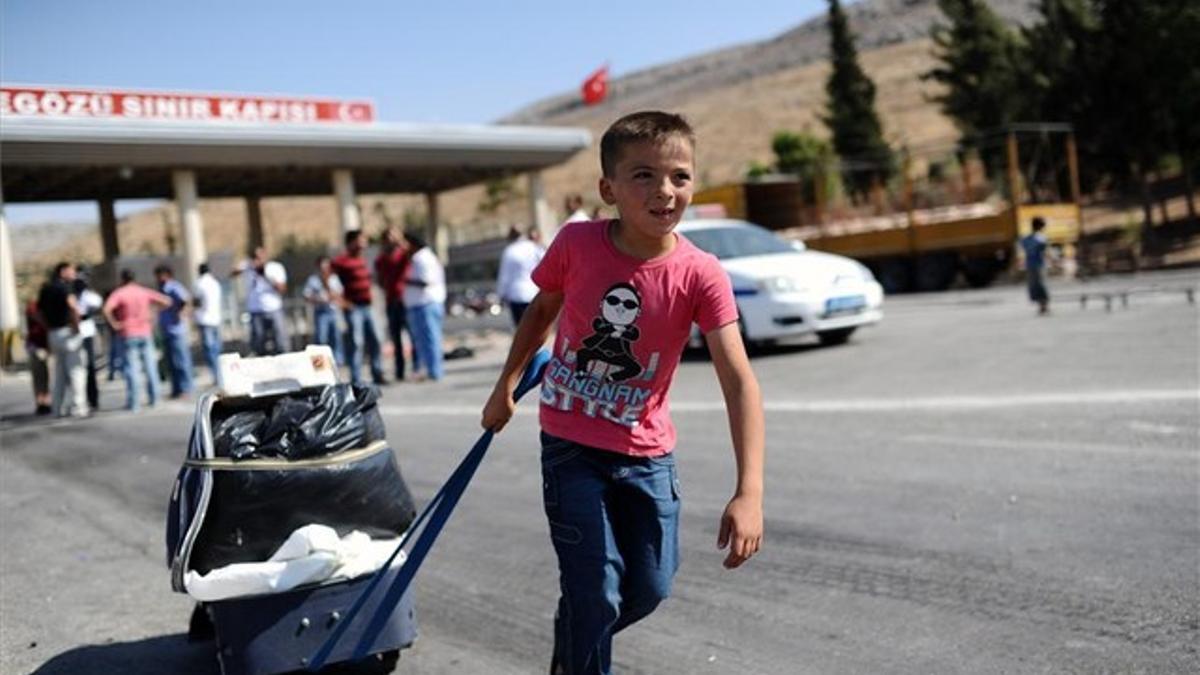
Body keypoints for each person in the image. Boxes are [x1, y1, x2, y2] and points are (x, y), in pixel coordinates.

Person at [481, 111, 765, 675]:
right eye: (643, 176)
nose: (664, 190)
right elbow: (542, 309)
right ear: (608, 189)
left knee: (649, 589)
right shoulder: (577, 244)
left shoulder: (701, 273)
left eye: (679, 176)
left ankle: (574, 646)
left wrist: (749, 491)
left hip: (648, 454)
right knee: (597, 593)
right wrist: (505, 387)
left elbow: (738, 379)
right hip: (571, 447)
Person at [103, 269, 171, 411]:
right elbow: (167, 301)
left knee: (131, 369)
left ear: (122, 279)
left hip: (127, 333)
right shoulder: (142, 291)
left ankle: (134, 403)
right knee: (150, 367)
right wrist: (152, 313)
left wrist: (115, 323)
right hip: (145, 331)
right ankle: (155, 399)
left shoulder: (119, 293)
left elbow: (106, 309)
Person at [332, 230, 386, 387]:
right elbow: (328, 280)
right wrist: (341, 301)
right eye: (361, 240)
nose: (364, 244)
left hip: (368, 306)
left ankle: (377, 372)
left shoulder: (364, 260)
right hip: (354, 308)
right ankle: (355, 378)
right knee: (356, 342)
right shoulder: (341, 262)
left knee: (375, 339)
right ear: (351, 242)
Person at [38, 262, 89, 418]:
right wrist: (77, 326)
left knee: (59, 373)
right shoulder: (66, 288)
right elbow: (73, 307)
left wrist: (48, 327)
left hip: (53, 334)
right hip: (68, 333)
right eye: (71, 270)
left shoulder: (46, 288)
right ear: (62, 272)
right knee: (76, 371)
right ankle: (78, 407)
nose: (74, 273)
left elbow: (38, 313)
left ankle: (57, 408)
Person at [403, 231, 447, 382]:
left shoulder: (422, 258)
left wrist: (405, 280)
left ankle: (435, 371)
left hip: (425, 304)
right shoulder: (421, 257)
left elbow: (425, 281)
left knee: (430, 339)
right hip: (422, 304)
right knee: (425, 340)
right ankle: (431, 370)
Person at [374, 227, 414, 380]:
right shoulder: (381, 259)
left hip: (406, 300)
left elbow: (410, 252)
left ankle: (417, 367)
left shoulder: (403, 254)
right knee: (396, 338)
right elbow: (380, 279)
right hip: (391, 301)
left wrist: (400, 240)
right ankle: (400, 371)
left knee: (412, 335)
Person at [235, 247, 289, 355]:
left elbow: (282, 289)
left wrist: (265, 275)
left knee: (281, 340)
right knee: (258, 340)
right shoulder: (248, 268)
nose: (257, 260)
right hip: (256, 309)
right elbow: (233, 273)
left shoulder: (274, 268)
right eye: (255, 258)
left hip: (273, 308)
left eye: (260, 258)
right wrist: (246, 266)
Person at [155, 264, 194, 399]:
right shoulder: (162, 288)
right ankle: (176, 389)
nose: (159, 278)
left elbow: (186, 300)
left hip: (176, 330)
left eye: (161, 275)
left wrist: (181, 314)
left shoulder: (173, 286)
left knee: (181, 361)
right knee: (171, 363)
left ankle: (186, 389)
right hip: (167, 330)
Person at [496, 224, 545, 326]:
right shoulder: (534, 248)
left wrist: (501, 295)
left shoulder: (509, 251)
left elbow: (504, 276)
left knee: (521, 330)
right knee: (536, 328)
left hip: (516, 295)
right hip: (534, 293)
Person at [303, 255, 345, 365]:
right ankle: (319, 364)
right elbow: (307, 296)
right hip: (321, 312)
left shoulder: (334, 278)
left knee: (336, 338)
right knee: (321, 339)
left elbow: (340, 294)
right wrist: (317, 299)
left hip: (333, 311)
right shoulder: (313, 280)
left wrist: (328, 287)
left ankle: (337, 362)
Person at [74, 272, 104, 410]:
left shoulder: (88, 296)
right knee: (77, 369)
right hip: (74, 334)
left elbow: (97, 302)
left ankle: (93, 399)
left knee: (90, 367)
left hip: (86, 333)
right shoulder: (71, 296)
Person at [192, 262, 224, 388]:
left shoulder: (199, 284)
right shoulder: (216, 283)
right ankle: (221, 375)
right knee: (217, 349)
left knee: (209, 350)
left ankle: (216, 376)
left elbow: (197, 302)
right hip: (216, 319)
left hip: (204, 320)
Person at [24, 298, 52, 415]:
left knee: (45, 376)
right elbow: (37, 317)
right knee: (38, 376)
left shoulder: (43, 306)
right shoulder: (34, 306)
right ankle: (41, 402)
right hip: (36, 346)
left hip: (43, 345)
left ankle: (45, 402)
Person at [1021, 217, 1051, 315]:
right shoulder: (1040, 237)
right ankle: (1043, 305)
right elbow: (1045, 250)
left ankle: (1042, 306)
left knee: (1035, 285)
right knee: (1039, 285)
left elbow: (1023, 246)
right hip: (1038, 264)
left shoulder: (1027, 238)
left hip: (1031, 264)